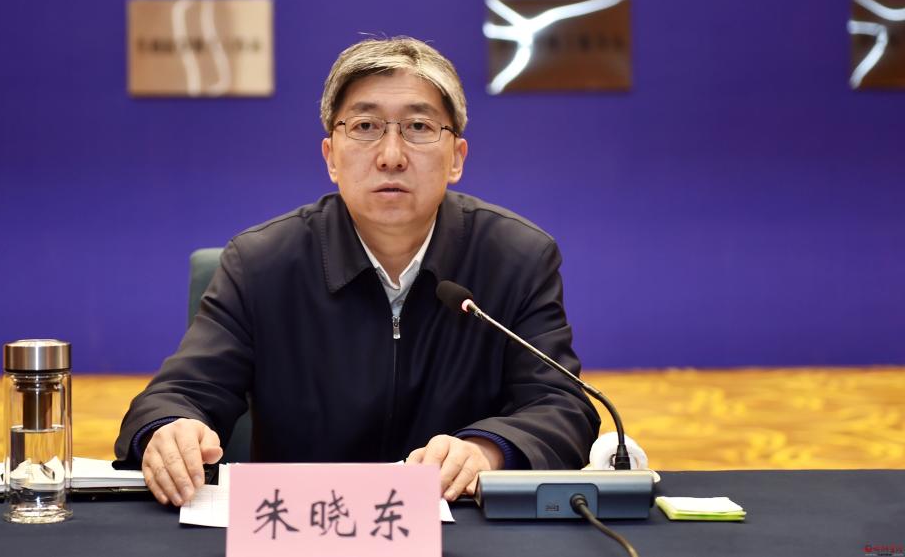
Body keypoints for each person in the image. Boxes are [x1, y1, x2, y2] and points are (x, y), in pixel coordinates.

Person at [114, 36, 601, 507]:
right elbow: (178, 394)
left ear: (456, 158)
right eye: (366, 127)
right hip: (302, 530)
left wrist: (487, 450)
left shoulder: (517, 258)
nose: (391, 156)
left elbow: (561, 406)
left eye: (419, 127)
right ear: (331, 156)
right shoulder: (262, 264)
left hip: (461, 532)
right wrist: (170, 429)